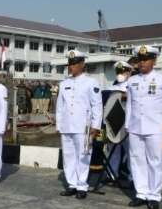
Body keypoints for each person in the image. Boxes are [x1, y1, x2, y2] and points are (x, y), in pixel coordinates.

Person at [125, 45, 162, 209]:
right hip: (135, 127)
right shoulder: (132, 80)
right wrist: (127, 125)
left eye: (146, 59)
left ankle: (154, 196)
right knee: (137, 160)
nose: (142, 63)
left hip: (155, 127)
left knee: (155, 161)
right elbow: (130, 106)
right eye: (140, 60)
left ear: (154, 60)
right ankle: (141, 193)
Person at [56, 50, 102, 199]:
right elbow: (60, 106)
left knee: (83, 156)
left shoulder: (91, 82)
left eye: (75, 63)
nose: (71, 66)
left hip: (84, 126)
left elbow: (97, 105)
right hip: (67, 126)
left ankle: (82, 185)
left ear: (82, 64)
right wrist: (59, 125)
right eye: (70, 64)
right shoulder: (64, 84)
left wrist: (96, 125)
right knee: (68, 157)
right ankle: (72, 184)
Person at [108, 61, 133, 181]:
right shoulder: (112, 85)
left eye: (123, 71)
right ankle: (112, 174)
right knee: (113, 151)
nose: (120, 74)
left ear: (129, 72)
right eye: (118, 71)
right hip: (114, 122)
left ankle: (132, 178)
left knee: (131, 152)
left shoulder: (133, 85)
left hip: (128, 123)